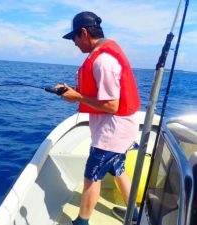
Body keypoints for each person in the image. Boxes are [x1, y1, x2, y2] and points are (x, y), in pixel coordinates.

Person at [56, 11, 141, 225]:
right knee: (119, 169)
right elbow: (101, 94)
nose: (74, 44)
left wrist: (77, 97)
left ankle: (82, 222)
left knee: (91, 177)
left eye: (74, 38)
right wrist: (73, 92)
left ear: (83, 33)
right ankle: (135, 215)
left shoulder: (103, 61)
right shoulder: (102, 57)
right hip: (121, 130)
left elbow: (112, 105)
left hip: (112, 134)